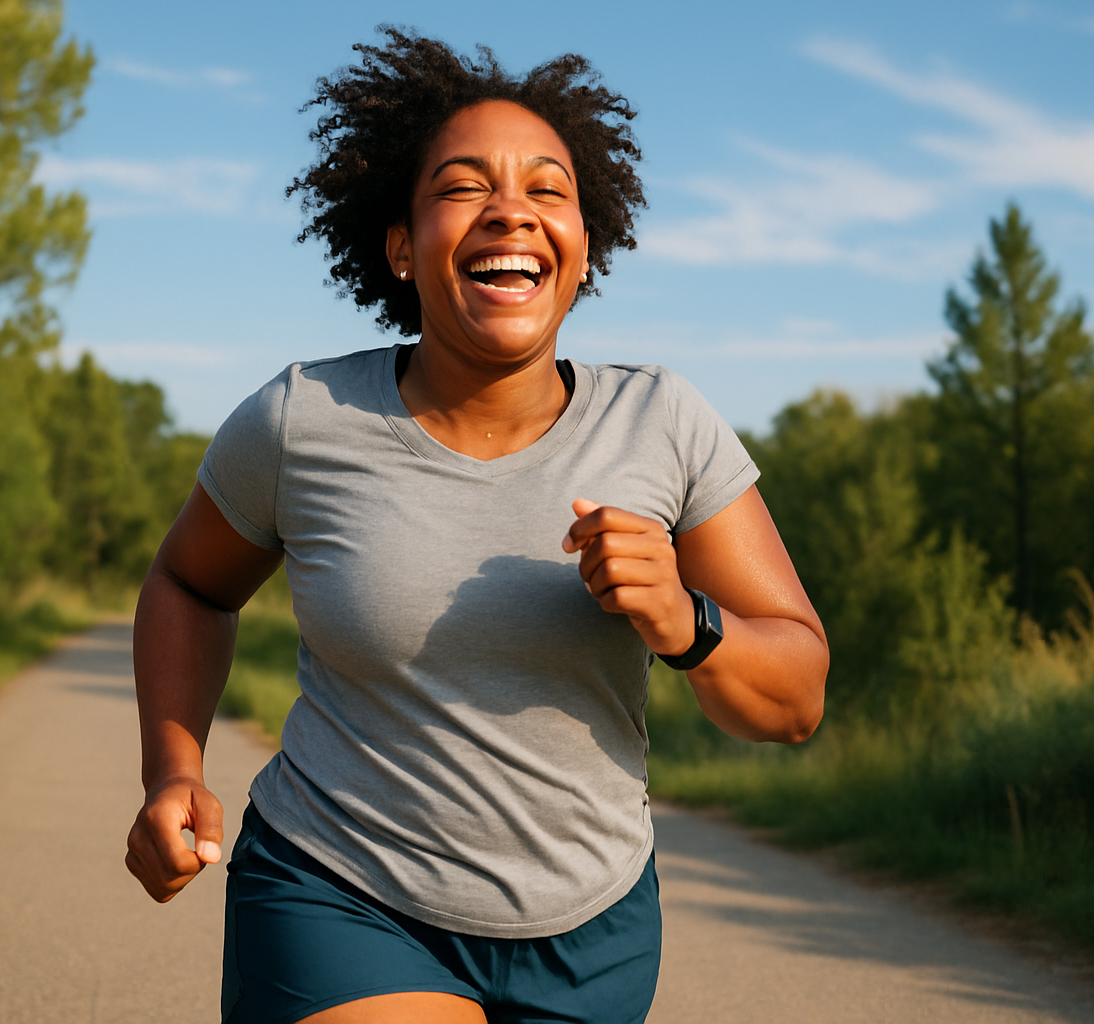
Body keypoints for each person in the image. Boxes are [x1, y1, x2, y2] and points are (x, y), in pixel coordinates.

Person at [124, 29, 828, 1024]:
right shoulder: (302, 419)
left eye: (548, 190)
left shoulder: (663, 423)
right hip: (341, 891)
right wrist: (174, 769)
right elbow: (191, 583)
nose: (512, 209)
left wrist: (685, 618)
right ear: (403, 246)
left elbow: (795, 699)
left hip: (595, 925)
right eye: (464, 185)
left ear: (584, 244)